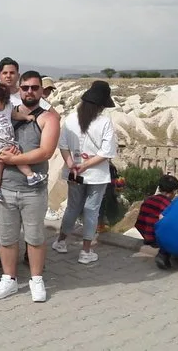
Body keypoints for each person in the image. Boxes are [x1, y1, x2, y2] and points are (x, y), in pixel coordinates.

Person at [0, 71, 59, 302]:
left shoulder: (48, 118)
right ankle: (9, 279)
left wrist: (13, 160)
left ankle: (36, 280)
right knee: (7, 238)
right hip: (5, 188)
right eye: (25, 87)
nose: (30, 91)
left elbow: (46, 152)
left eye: (34, 87)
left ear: (41, 90)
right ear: (19, 89)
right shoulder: (6, 113)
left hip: (33, 190)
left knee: (35, 237)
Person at [52, 80, 117, 264]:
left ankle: (61, 242)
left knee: (72, 207)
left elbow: (63, 145)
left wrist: (73, 164)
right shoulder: (104, 122)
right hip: (97, 175)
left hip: (74, 173)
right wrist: (86, 165)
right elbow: (107, 152)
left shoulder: (71, 119)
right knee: (91, 211)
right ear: (102, 105)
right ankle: (86, 251)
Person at [0, 83, 46, 203]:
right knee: (16, 156)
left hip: (7, 139)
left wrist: (26, 117)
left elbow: (16, 115)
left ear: (3, 101)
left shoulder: (8, 107)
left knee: (0, 164)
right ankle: (30, 175)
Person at [135, 174, 178, 247]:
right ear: (174, 191)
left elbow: (139, 223)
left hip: (146, 237)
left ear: (159, 188)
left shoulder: (148, 200)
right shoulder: (169, 205)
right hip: (159, 241)